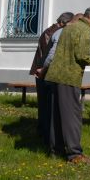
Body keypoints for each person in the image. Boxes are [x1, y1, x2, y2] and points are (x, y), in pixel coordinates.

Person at [46, 6, 90, 162]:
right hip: (69, 76)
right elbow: (81, 54)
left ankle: (56, 150)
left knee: (56, 115)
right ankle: (75, 154)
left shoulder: (69, 27)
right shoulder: (84, 29)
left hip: (56, 74)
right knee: (72, 116)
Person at [30, 11, 74, 145]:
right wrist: (43, 70)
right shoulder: (52, 32)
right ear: (65, 22)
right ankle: (44, 132)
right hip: (43, 71)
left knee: (46, 104)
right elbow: (49, 55)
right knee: (45, 104)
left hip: (44, 71)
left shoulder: (53, 30)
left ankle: (45, 131)